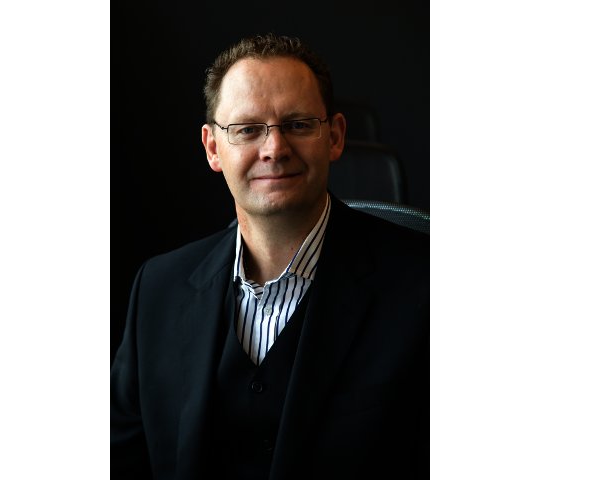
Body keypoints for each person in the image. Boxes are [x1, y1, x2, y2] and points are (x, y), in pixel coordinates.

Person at [111, 33, 429, 480]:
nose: (275, 149)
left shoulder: (425, 285)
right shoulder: (158, 289)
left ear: (335, 137)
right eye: (247, 129)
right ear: (213, 148)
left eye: (298, 124)